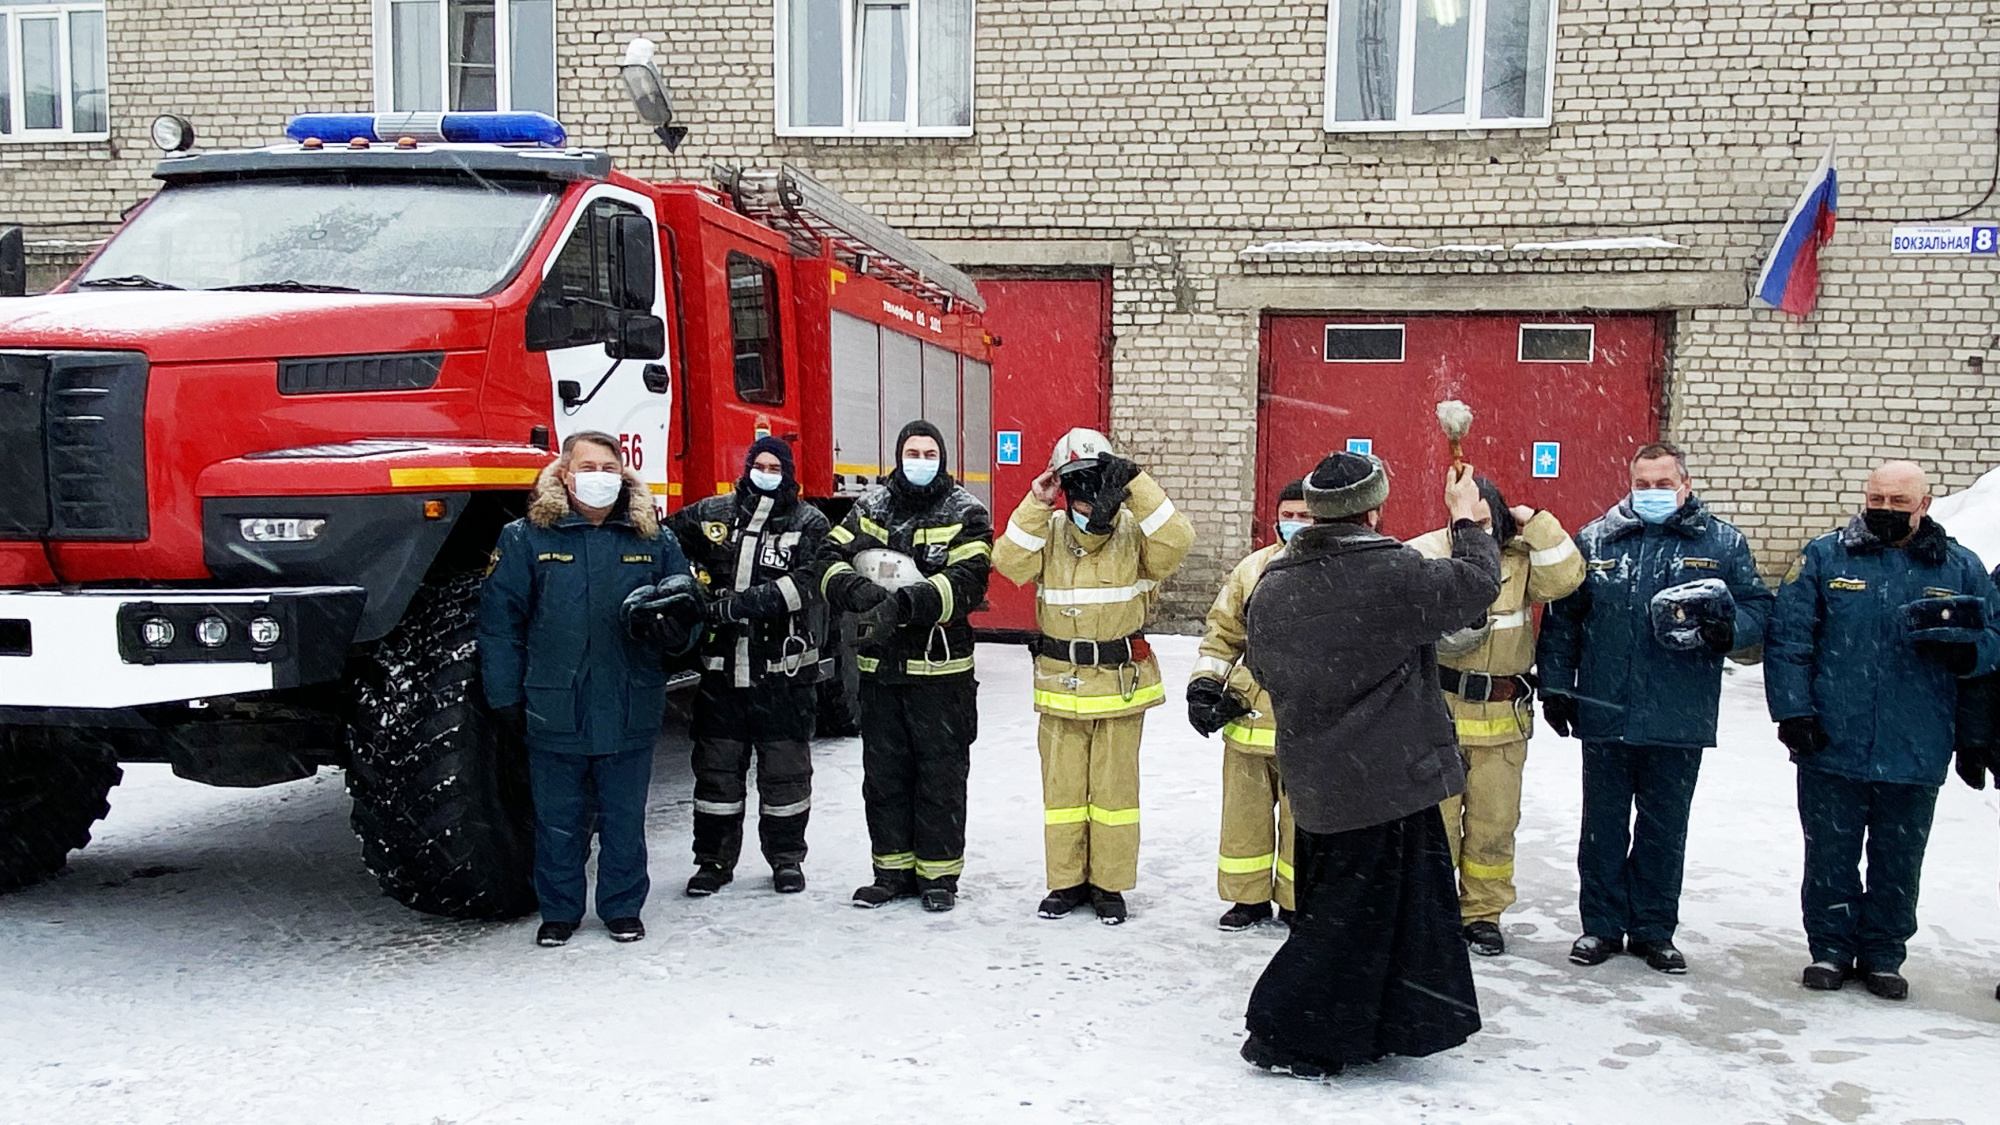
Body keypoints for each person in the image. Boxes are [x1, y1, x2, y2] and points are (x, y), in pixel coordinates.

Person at [1239, 451, 1499, 1079]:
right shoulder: (1392, 571)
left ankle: (1369, 1026)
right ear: (1374, 509)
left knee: (1355, 914)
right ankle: (1286, 1032)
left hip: (1321, 782)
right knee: (1356, 923)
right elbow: (1476, 587)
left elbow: (1267, 671)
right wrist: (1469, 523)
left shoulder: (1275, 583)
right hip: (1390, 784)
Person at [1765, 460, 2000, 1000]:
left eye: (1899, 502)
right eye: (1877, 499)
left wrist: (1973, 655)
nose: (1885, 510)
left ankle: (1883, 955)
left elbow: (1994, 640)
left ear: (1925, 504)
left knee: (1899, 859)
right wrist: (1793, 712)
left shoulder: (1960, 567)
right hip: (1832, 742)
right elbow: (1790, 641)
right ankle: (1828, 948)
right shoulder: (1825, 557)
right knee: (1829, 853)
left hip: (1917, 743)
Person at [1536, 440, 1773, 974]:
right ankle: (1599, 926)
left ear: (1685, 485)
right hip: (1605, 710)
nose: (1652, 493)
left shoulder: (1721, 542)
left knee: (1664, 830)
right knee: (1602, 827)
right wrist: (1556, 686)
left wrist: (1729, 630)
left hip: (1678, 716)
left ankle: (1653, 930)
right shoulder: (1596, 541)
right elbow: (1563, 619)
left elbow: (1759, 606)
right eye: (1643, 484)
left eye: (1663, 484)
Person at [478, 431, 700, 947]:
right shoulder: (526, 538)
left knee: (624, 818)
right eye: (587, 466)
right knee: (558, 818)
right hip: (556, 702)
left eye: (608, 466)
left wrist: (678, 632)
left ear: (622, 474)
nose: (598, 476)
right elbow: (499, 625)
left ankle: (622, 908)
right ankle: (558, 912)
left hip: (630, 699)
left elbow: (688, 612)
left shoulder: (653, 539)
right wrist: (505, 697)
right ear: (563, 474)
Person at [993, 427, 1193, 925]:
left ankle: (1109, 886)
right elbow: (1007, 562)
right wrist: (1036, 503)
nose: (1086, 495)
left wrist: (1138, 483)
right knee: (1062, 796)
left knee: (1114, 797)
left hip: (1121, 685)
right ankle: (1064, 884)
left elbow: (1179, 540)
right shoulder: (1050, 530)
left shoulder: (1135, 534)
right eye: (1074, 484)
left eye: (1095, 480)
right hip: (1061, 684)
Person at [817, 421, 993, 912]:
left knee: (941, 775)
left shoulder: (966, 512)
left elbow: (968, 582)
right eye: (912, 451)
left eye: (929, 451)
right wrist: (864, 594)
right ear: (899, 455)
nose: (920, 459)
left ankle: (939, 877)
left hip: (942, 673)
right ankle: (890, 872)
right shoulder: (871, 507)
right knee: (884, 775)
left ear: (942, 456)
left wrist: (904, 605)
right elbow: (828, 558)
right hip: (882, 672)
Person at [1408, 478, 1585, 957]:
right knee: (1434, 826)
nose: (1479, 532)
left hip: (1501, 720)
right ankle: (1434, 912)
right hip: (1436, 718)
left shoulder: (1522, 561)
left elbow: (1569, 578)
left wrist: (1538, 524)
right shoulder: (1426, 552)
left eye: (1489, 521)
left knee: (1493, 826)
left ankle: (1483, 915)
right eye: (1472, 519)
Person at [665, 436, 831, 897]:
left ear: (789, 471)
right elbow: (662, 539)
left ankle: (786, 860)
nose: (765, 472)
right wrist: (690, 590)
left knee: (786, 777)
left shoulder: (808, 522)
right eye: (758, 464)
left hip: (785, 676)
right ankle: (713, 861)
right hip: (722, 676)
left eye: (774, 466)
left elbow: (808, 585)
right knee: (716, 775)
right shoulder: (712, 514)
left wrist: (739, 606)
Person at [1187, 479, 1308, 931]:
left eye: (1304, 515)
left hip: (1305, 726)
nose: (1294, 524)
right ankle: (1248, 899)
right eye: (1288, 514)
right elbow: (1222, 634)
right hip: (1248, 715)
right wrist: (1204, 687)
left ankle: (1298, 901)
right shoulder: (1252, 569)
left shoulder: (1332, 569)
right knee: (1244, 820)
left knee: (1304, 823)